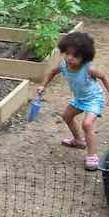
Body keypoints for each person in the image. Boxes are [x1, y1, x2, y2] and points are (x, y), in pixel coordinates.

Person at [37, 32, 109, 171]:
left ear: (85, 57)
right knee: (67, 117)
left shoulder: (89, 68)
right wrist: (42, 85)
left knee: (87, 124)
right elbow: (52, 72)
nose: (70, 58)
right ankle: (78, 141)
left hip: (94, 99)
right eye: (67, 54)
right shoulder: (64, 65)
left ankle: (92, 156)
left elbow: (104, 77)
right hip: (79, 99)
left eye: (75, 56)